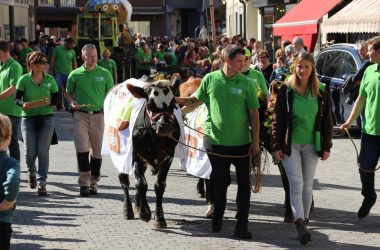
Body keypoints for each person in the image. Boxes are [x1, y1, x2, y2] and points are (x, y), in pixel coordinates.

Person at [176, 45, 260, 239]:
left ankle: (242, 225)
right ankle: (218, 216)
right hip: (217, 143)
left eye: (244, 61)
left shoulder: (246, 83)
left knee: (244, 185)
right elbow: (194, 102)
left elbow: (254, 115)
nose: (243, 64)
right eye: (239, 61)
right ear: (228, 61)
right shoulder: (210, 79)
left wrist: (255, 142)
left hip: (242, 144)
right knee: (220, 184)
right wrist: (173, 100)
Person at [272, 51, 333, 245]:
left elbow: (327, 120)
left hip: (312, 145)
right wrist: (276, 145)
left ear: (312, 68)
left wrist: (327, 145)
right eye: (299, 66)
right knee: (296, 184)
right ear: (294, 67)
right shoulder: (286, 90)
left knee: (307, 185)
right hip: (291, 145)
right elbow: (278, 119)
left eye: (306, 66)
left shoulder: (321, 90)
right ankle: (299, 224)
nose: (303, 70)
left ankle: (304, 223)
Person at [66, 44, 114, 197]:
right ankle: (84, 183)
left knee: (97, 151)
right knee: (82, 149)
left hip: (99, 116)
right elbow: (68, 94)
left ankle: (94, 181)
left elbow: (111, 94)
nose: (93, 58)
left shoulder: (105, 74)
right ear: (83, 57)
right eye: (90, 56)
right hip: (80, 116)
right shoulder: (74, 74)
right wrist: (71, 103)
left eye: (95, 55)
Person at [340, 36, 380, 219]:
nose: (367, 53)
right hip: (370, 131)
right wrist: (349, 121)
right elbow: (361, 98)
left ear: (379, 51)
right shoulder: (370, 71)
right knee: (364, 169)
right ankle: (369, 196)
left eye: (370, 50)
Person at [14, 52, 59, 196]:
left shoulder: (50, 79)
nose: (45, 65)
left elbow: (58, 99)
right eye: (42, 63)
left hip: (46, 118)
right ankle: (31, 172)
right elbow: (16, 99)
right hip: (28, 119)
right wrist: (23, 104)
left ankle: (42, 182)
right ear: (33, 65)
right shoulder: (24, 80)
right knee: (29, 152)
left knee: (43, 152)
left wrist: (50, 102)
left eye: (46, 62)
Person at [0, 39, 23, 162]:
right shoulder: (1, 65)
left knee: (11, 141)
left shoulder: (15, 66)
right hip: (1, 110)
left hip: (11, 111)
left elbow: (14, 88)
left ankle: (15, 168)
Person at [0, 114, 20, 249]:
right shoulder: (11, 163)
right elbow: (13, 180)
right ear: (8, 138)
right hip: (2, 220)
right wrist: (8, 201)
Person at [49, 38, 77, 111]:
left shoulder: (73, 51)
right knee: (58, 88)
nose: (72, 47)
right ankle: (59, 103)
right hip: (58, 72)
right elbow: (53, 59)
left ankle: (67, 105)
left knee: (68, 90)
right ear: (66, 43)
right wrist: (50, 70)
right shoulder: (57, 49)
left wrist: (76, 72)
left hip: (69, 73)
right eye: (71, 45)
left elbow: (74, 62)